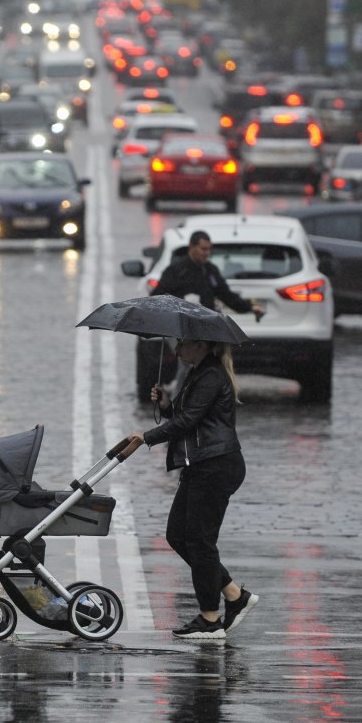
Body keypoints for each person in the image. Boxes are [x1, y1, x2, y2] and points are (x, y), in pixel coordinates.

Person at [129, 340, 259, 640]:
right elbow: (187, 415)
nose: (177, 349)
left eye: (182, 343)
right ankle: (234, 594)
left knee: (200, 542)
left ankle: (210, 618)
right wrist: (165, 404)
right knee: (177, 535)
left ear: (200, 344)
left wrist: (146, 437)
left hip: (216, 465)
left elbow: (189, 421)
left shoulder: (211, 375)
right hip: (199, 464)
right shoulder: (199, 372)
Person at [152, 230, 266, 319]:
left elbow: (226, 295)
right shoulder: (176, 270)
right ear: (192, 247)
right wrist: (182, 303)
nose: (207, 253)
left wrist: (250, 307)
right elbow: (158, 296)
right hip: (182, 324)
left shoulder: (210, 270)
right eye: (203, 249)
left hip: (206, 325)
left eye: (209, 249)